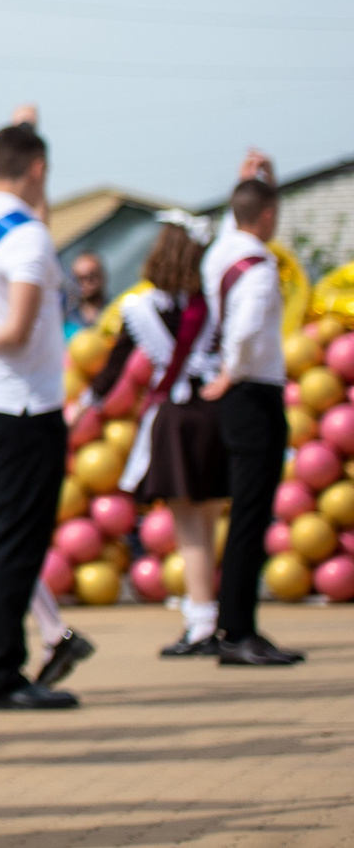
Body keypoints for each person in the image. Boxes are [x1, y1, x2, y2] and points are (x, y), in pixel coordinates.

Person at [0, 123, 79, 712]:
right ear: (37, 169)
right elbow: (18, 328)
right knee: (16, 543)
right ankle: (0, 672)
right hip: (27, 402)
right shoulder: (29, 237)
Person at [95, 215, 225, 656]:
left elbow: (114, 369)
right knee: (206, 520)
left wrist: (85, 409)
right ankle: (207, 614)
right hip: (214, 414)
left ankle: (201, 621)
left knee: (188, 528)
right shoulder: (211, 307)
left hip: (176, 419)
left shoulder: (139, 307)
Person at [201, 163, 299, 666]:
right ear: (266, 216)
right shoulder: (258, 266)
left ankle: (234, 625)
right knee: (251, 515)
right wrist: (233, 372)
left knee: (243, 513)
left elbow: (230, 220)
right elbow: (243, 331)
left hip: (237, 393)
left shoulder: (222, 252)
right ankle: (238, 630)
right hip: (253, 391)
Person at [65, 253, 110, 336]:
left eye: (91, 276)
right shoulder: (67, 323)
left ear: (102, 275)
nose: (85, 283)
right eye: (79, 278)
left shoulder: (117, 311)